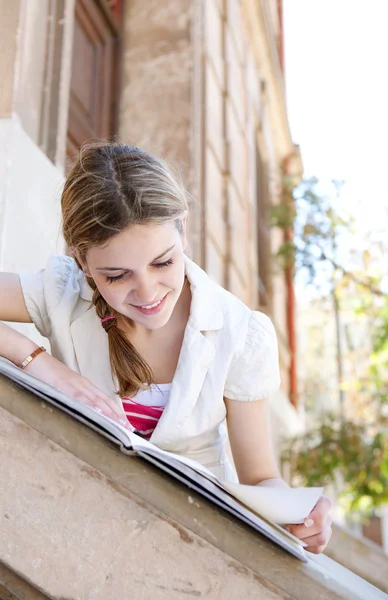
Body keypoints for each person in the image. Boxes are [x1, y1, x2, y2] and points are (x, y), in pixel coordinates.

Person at [0, 142, 332, 553]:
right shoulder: (64, 291)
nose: (149, 292)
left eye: (163, 263)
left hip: (192, 546)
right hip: (78, 526)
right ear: (83, 263)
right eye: (118, 276)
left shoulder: (240, 333)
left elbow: (260, 478)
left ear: (183, 230)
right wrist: (39, 362)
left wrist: (300, 517)